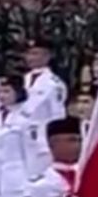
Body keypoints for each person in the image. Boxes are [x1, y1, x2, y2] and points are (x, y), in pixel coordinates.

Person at [23, 40, 68, 175]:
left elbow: (57, 114)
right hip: (22, 137)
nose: (31, 58)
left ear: (47, 56)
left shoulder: (54, 84)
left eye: (35, 53)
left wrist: (57, 141)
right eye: (29, 54)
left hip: (42, 139)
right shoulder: (23, 79)